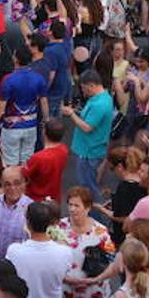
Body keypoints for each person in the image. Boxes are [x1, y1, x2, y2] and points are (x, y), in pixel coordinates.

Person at [61, 70, 115, 200]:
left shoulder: (99, 104)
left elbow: (87, 127)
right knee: (88, 185)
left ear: (91, 85)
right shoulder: (103, 98)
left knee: (88, 187)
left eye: (84, 88)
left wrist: (71, 114)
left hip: (89, 151)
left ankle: (97, 214)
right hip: (90, 148)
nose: (83, 92)